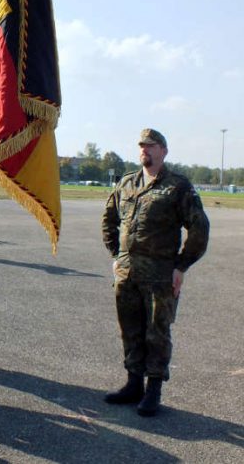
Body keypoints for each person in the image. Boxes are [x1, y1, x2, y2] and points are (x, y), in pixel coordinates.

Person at [101, 128, 209, 417]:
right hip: (126, 272)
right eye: (141, 146)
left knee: (157, 332)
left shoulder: (177, 186)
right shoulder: (127, 183)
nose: (144, 150)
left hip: (160, 275)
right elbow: (109, 219)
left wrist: (181, 266)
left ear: (163, 150)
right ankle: (133, 383)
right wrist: (116, 256)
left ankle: (154, 390)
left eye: (150, 146)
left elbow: (199, 229)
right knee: (130, 328)